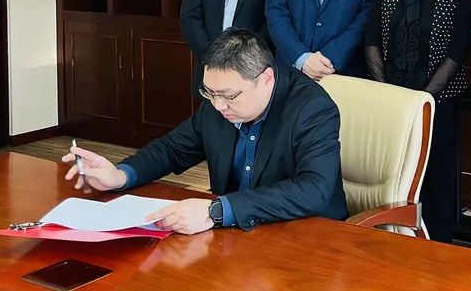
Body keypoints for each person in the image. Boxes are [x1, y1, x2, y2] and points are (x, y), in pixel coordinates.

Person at [62, 28, 348, 233]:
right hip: (236, 234)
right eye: (209, 93)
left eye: (228, 96)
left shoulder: (312, 109)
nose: (218, 106)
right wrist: (121, 175)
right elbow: (172, 149)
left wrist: (217, 211)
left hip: (305, 234)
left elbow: (313, 190)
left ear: (266, 79)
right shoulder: (218, 100)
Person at [365, 0, 471, 242]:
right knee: (390, 180)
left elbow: (456, 53)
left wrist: (422, 101)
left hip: (436, 103)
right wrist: (386, 94)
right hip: (390, 103)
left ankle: (437, 250)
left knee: (436, 183)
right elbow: (371, 39)